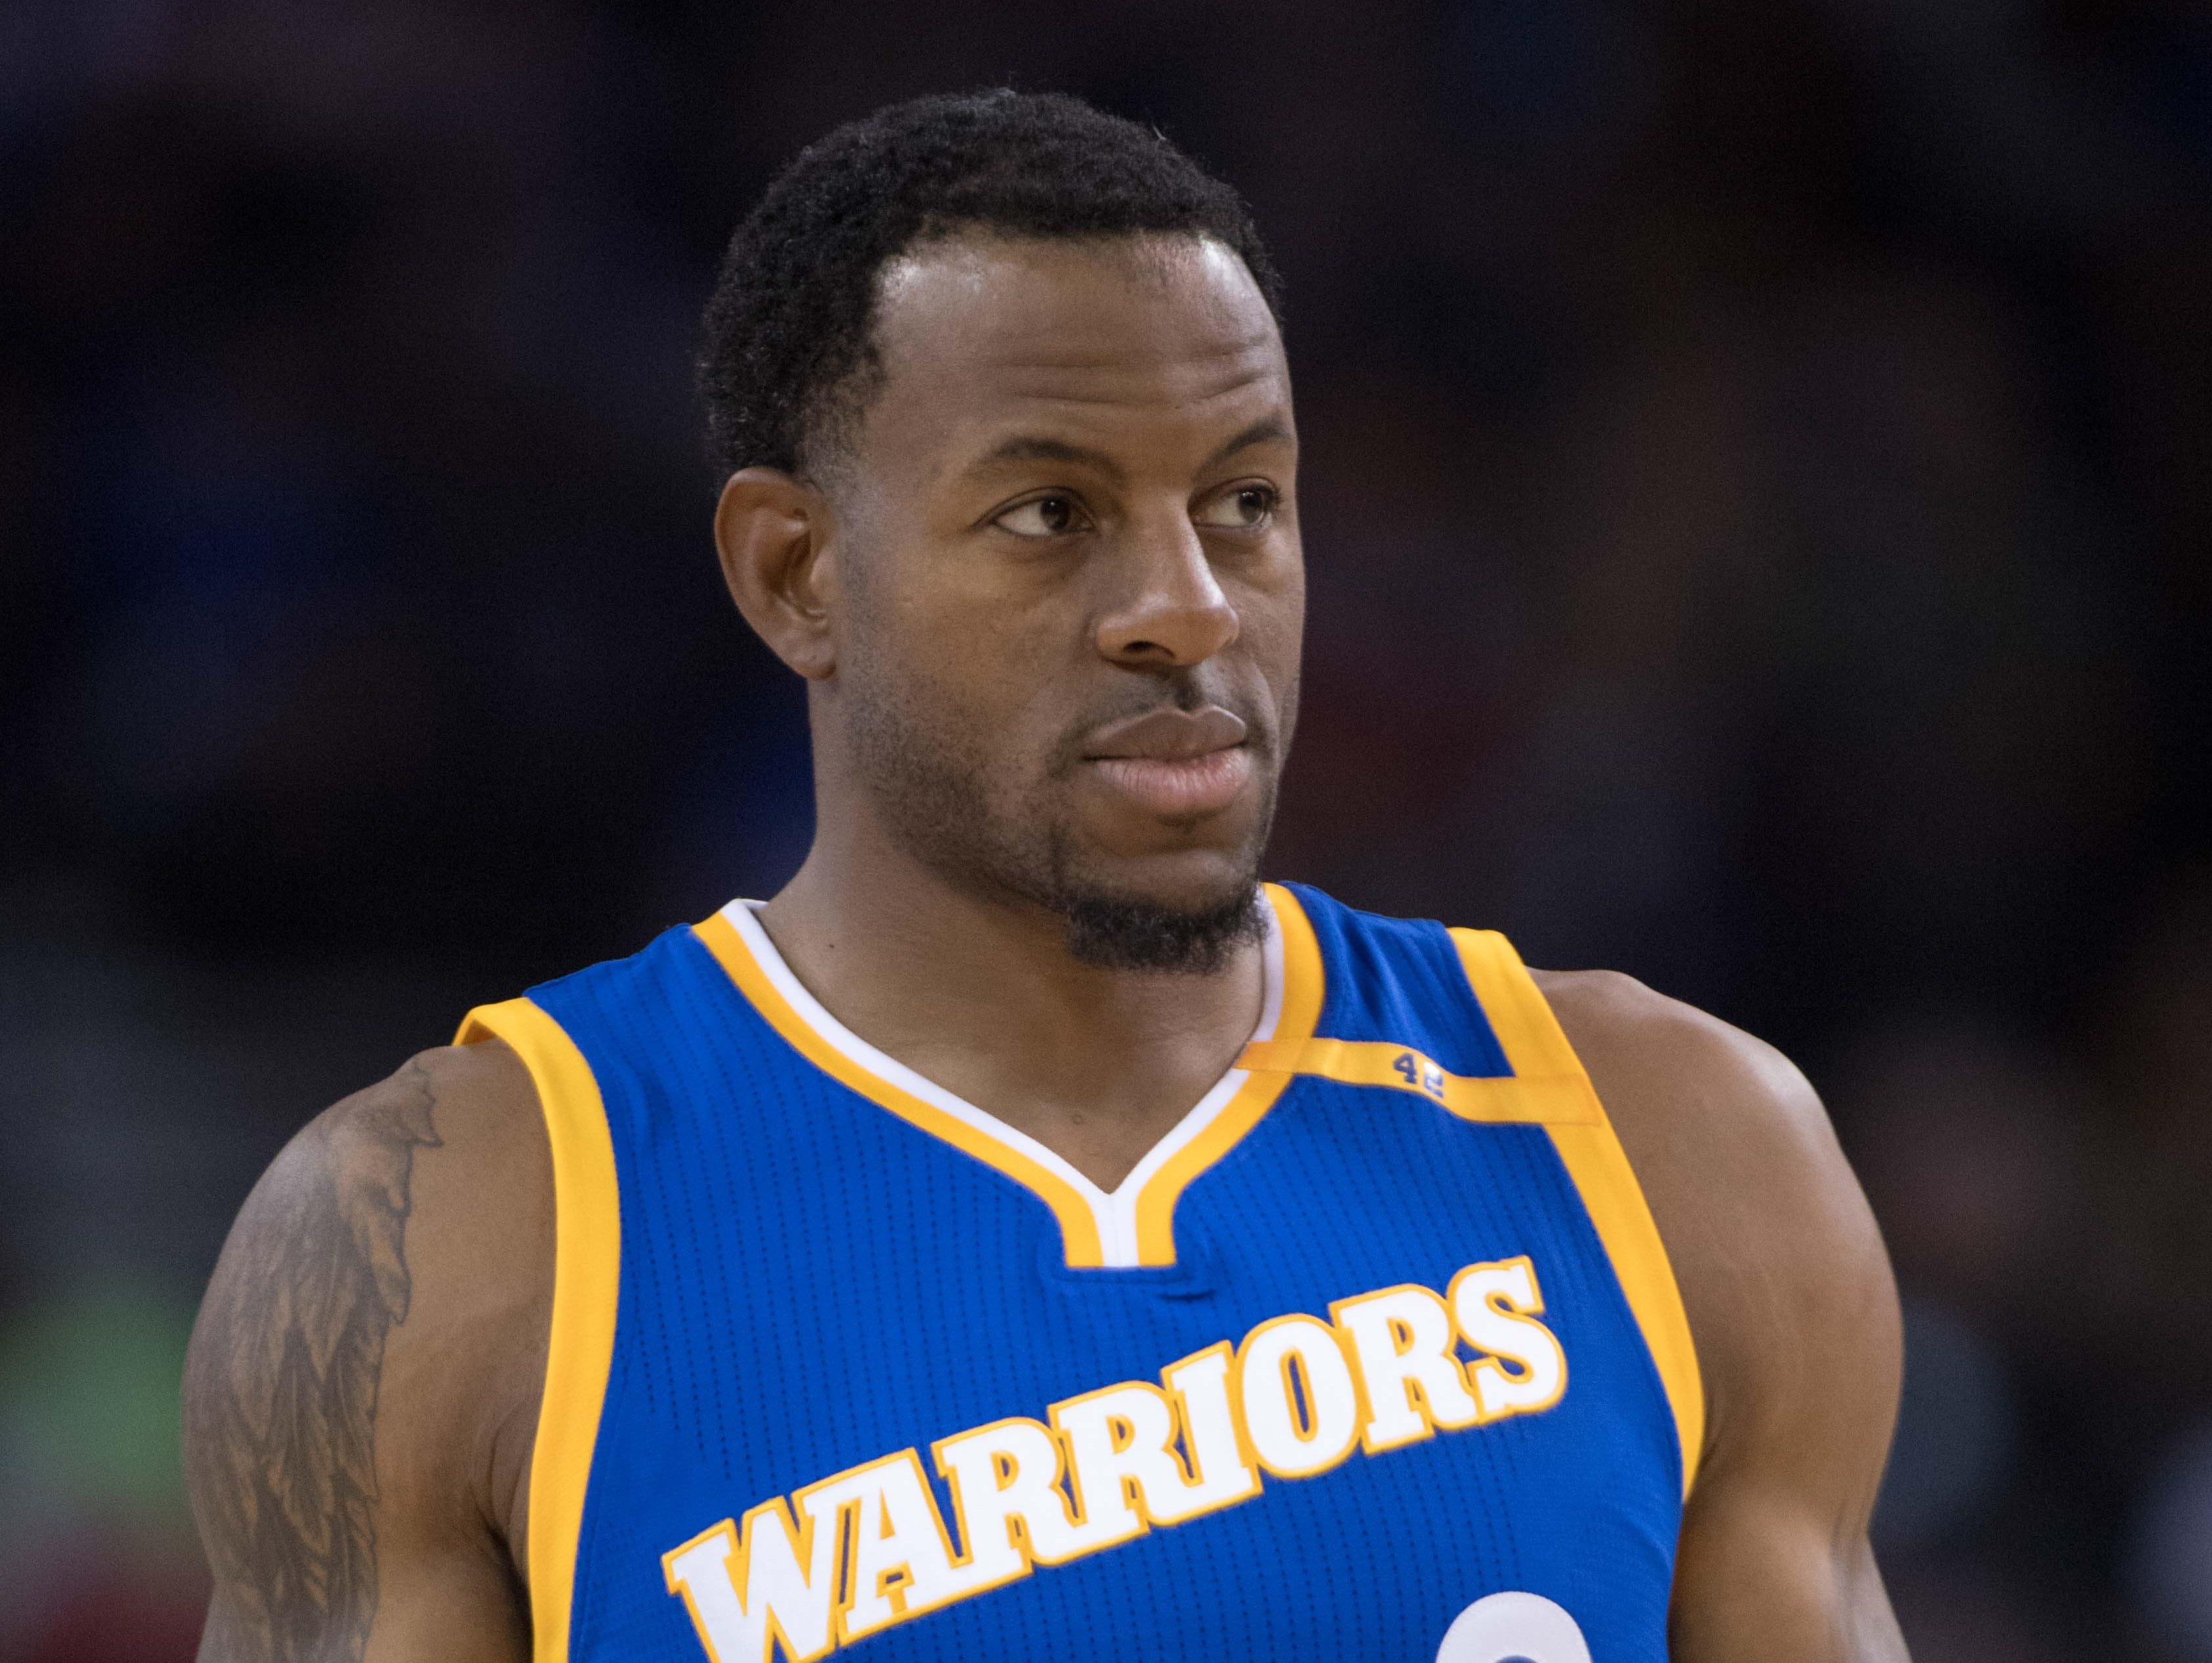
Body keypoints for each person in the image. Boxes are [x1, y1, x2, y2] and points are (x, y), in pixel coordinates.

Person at [182, 91, 1907, 1663]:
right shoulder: (458, 1233)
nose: (1192, 602)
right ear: (797, 573)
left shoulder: (1678, 1147)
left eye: (1244, 503)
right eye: (1052, 514)